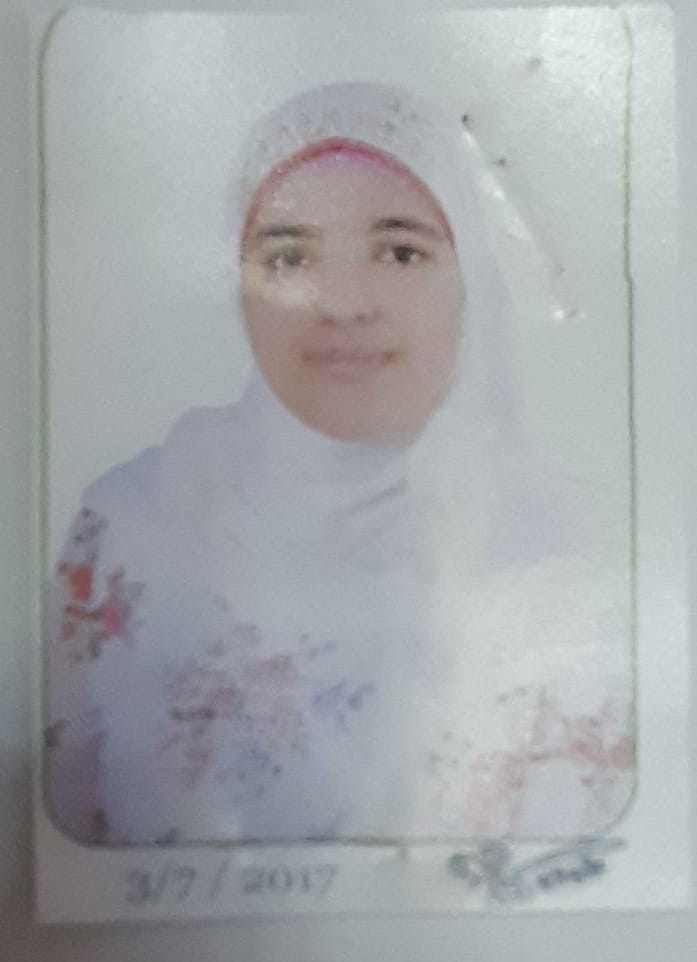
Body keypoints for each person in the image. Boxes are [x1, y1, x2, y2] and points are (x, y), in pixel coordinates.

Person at [44, 81, 634, 845]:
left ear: (472, 284)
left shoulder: (576, 545)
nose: (344, 304)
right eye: (289, 256)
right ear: (239, 289)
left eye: (399, 253)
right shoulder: (131, 526)